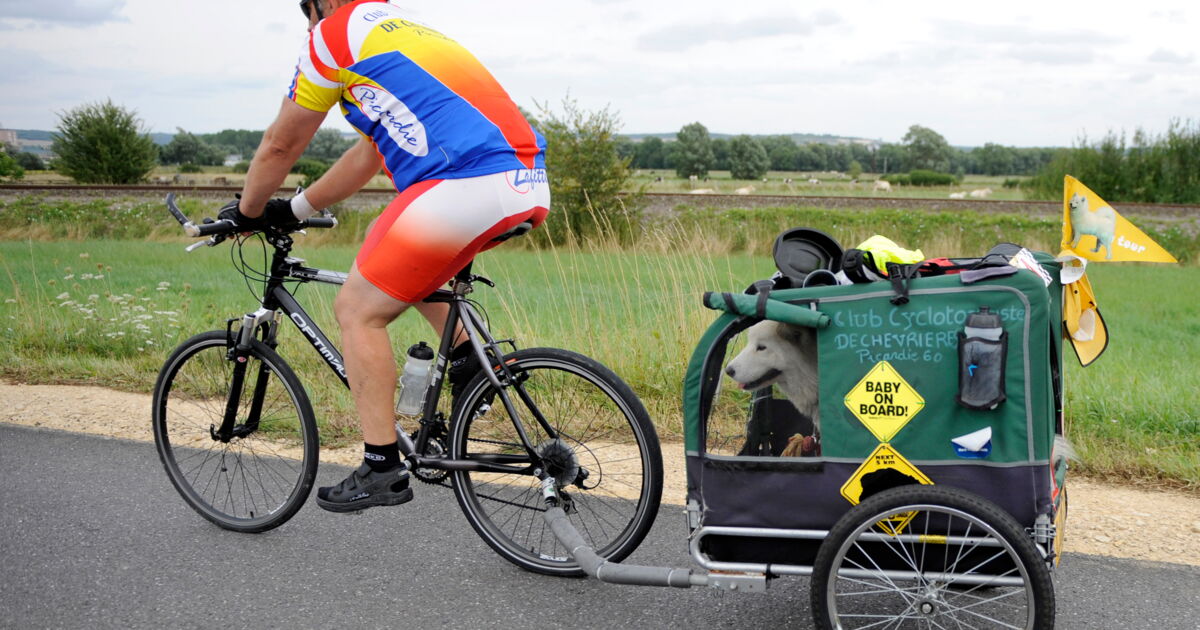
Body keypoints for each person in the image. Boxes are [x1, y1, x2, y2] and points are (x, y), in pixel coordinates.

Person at [220, 0, 549, 513]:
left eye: (306, 12)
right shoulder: (405, 32)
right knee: (399, 260)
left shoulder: (333, 34)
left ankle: (381, 466)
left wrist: (248, 211)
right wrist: (295, 208)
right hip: (524, 181)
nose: (309, 24)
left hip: (463, 185)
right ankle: (470, 364)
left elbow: (280, 145)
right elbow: (370, 153)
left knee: (357, 309)